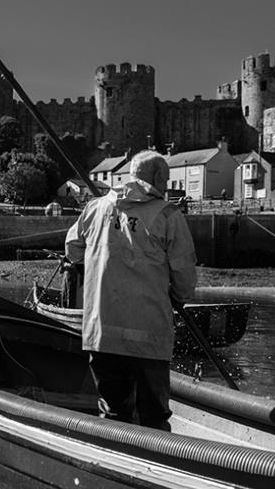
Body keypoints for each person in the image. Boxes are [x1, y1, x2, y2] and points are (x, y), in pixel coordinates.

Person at [65, 150, 197, 431]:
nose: (167, 187)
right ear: (159, 177)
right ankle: (156, 467)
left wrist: (98, 269)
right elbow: (184, 275)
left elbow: (73, 248)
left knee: (113, 413)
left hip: (102, 333)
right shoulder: (168, 215)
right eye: (167, 180)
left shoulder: (95, 208)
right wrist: (180, 296)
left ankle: (115, 463)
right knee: (153, 417)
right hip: (148, 336)